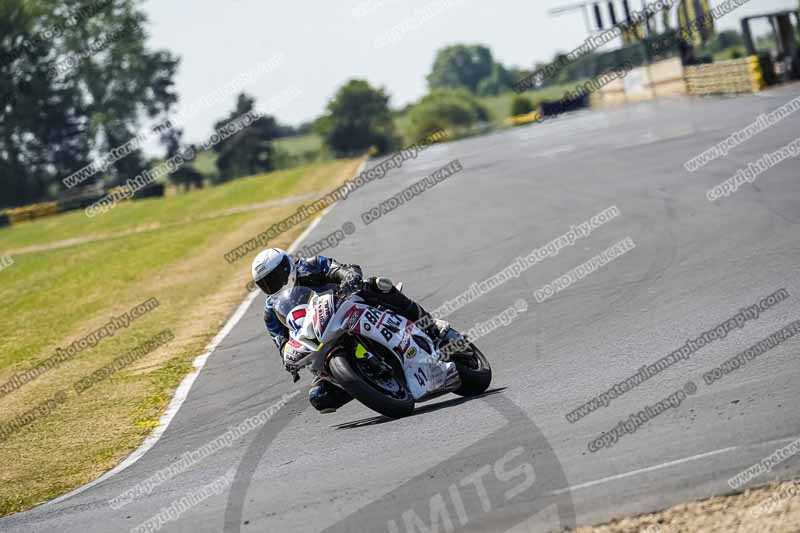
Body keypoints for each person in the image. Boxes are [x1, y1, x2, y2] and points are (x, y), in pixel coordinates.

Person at [251, 248, 449, 413]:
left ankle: (430, 326)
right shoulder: (271, 310)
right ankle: (365, 382)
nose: (271, 285)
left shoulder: (308, 265)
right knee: (320, 398)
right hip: (315, 338)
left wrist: (349, 277)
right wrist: (290, 361)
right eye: (265, 284)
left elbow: (341, 269)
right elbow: (281, 342)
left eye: (274, 278)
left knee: (378, 285)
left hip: (345, 304)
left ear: (286, 268)